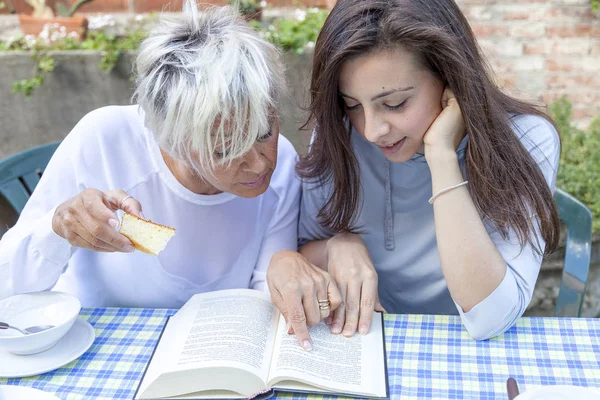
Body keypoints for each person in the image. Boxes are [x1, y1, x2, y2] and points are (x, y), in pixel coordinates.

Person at [267, 0, 561, 349]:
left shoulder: (527, 139)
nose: (372, 130)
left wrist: (441, 156)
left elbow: (489, 319)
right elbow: (304, 252)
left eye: (394, 104)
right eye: (352, 104)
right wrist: (336, 246)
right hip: (365, 345)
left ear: (451, 78)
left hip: (474, 351)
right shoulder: (341, 136)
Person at [0, 1, 301, 309]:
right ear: (172, 141)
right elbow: (6, 283)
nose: (260, 163)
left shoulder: (285, 164)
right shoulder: (104, 140)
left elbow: (266, 286)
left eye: (264, 133)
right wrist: (58, 228)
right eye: (224, 149)